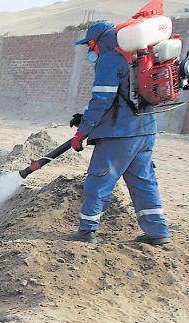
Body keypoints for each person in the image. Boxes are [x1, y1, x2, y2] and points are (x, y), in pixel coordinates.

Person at [69, 21, 170, 245]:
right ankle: (158, 232)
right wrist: (84, 120)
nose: (90, 50)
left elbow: (102, 100)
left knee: (99, 180)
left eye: (90, 45)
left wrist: (82, 132)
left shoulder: (110, 60)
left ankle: (86, 230)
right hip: (145, 131)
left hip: (120, 134)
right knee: (143, 181)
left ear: (99, 42)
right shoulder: (138, 57)